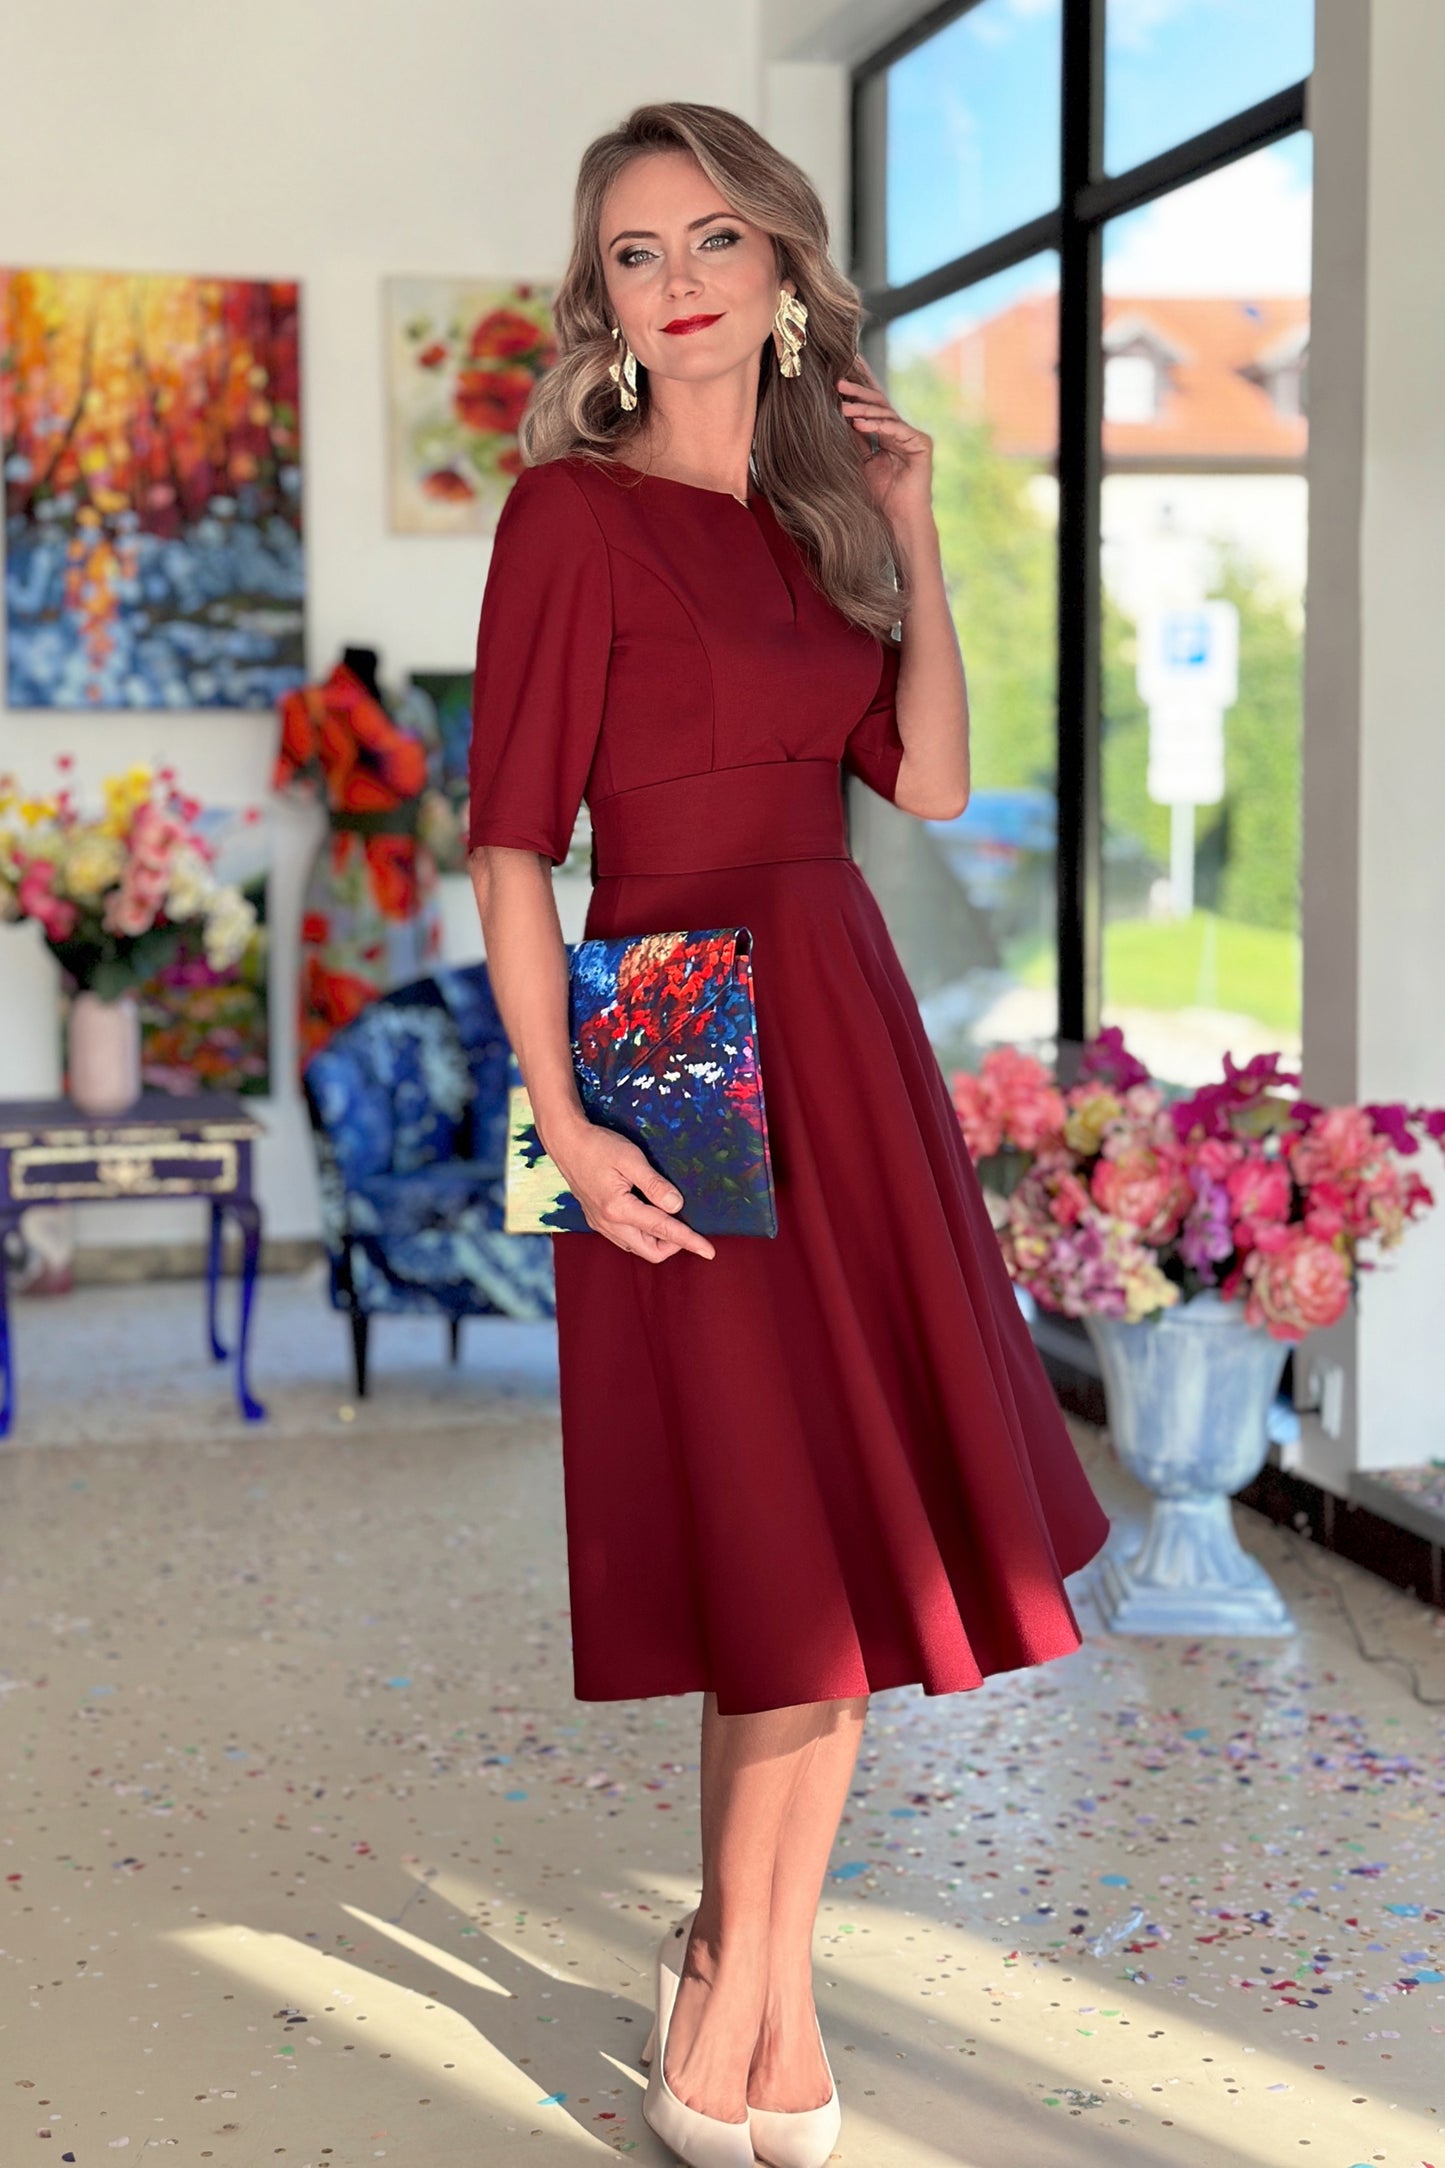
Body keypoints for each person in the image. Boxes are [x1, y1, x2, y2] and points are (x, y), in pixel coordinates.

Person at [467, 100, 1111, 2168]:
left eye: (714, 237)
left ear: (783, 268)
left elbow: (928, 778)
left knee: (827, 1524)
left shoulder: (824, 517)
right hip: (655, 1022)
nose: (679, 279)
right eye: (636, 250)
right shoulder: (564, 514)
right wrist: (563, 1119)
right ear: (603, 299)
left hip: (837, 1009)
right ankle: (749, 1983)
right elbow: (507, 847)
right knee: (761, 1534)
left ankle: (751, 1976)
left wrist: (910, 522)